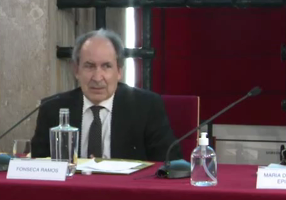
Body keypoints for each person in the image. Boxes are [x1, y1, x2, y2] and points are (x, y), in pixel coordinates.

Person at [31, 29, 177, 162]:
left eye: (106, 66)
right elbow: (37, 167)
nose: (97, 77)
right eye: (89, 66)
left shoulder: (146, 107)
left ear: (119, 71)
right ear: (76, 70)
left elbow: (170, 165)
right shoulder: (52, 108)